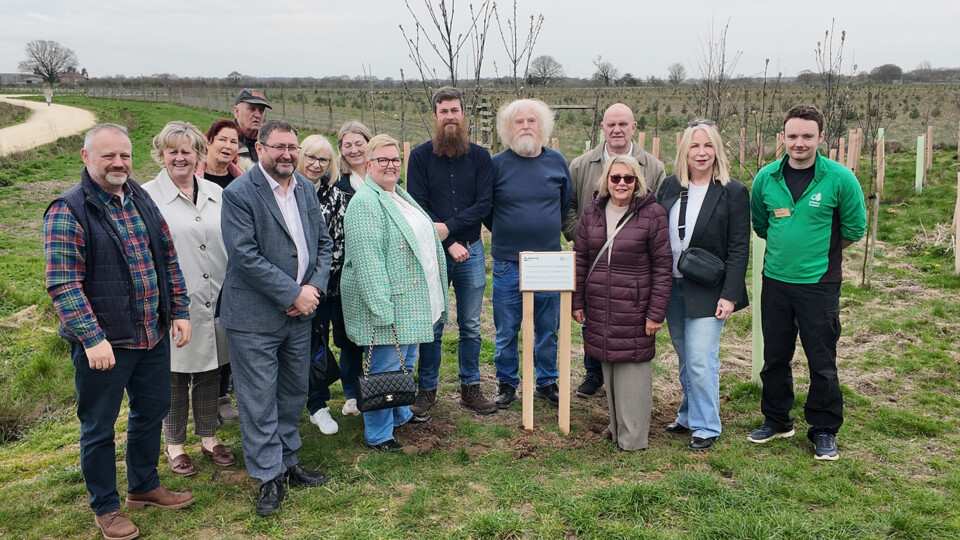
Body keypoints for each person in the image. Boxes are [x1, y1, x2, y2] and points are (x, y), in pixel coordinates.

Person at [43, 123, 194, 540]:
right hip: (106, 344)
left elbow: (167, 258)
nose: (118, 163)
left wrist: (178, 310)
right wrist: (91, 337)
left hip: (151, 334)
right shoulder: (69, 209)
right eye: (108, 155)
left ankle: (144, 486)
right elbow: (62, 283)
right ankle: (106, 506)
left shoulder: (139, 198)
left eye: (124, 155)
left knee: (152, 411)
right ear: (86, 157)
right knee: (99, 426)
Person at [220, 119, 334, 516]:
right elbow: (244, 256)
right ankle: (268, 475)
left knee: (291, 392)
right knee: (258, 399)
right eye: (279, 147)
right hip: (254, 316)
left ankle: (288, 461)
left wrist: (312, 291)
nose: (288, 154)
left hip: (300, 313)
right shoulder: (239, 194)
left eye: (293, 147)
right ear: (260, 149)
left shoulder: (303, 188)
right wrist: (292, 292)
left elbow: (322, 242)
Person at [749, 104, 866, 461]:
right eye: (793, 136)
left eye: (807, 136)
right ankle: (777, 419)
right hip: (776, 281)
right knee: (775, 357)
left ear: (821, 138)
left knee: (822, 360)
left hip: (820, 284)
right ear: (782, 137)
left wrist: (821, 253)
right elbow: (761, 224)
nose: (799, 143)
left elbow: (854, 229)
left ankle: (824, 428)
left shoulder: (839, 179)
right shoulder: (765, 179)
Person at [340, 134, 449, 451]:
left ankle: (400, 413)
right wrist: (381, 311)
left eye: (395, 160)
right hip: (389, 307)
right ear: (369, 163)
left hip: (412, 302)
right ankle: (378, 434)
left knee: (405, 362)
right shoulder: (365, 204)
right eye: (383, 160)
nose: (390, 165)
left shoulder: (397, 194)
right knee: (384, 369)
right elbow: (367, 262)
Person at [142, 121, 235, 476]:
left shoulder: (217, 192)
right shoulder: (148, 196)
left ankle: (209, 438)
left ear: (199, 154)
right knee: (176, 374)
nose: (180, 157)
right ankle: (175, 444)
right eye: (173, 151)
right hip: (175, 302)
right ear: (162, 155)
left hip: (218, 297)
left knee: (212, 369)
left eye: (187, 150)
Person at [657, 120, 750, 452]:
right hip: (673, 286)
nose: (701, 152)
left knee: (700, 359)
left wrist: (731, 294)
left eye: (708, 145)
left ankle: (707, 426)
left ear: (717, 150)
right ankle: (687, 414)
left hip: (711, 289)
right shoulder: (669, 187)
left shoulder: (733, 192)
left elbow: (740, 248)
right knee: (686, 358)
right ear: (684, 150)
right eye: (695, 145)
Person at [563, 103, 666, 399]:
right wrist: (584, 236)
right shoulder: (581, 165)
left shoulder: (654, 168)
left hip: (634, 261)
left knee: (626, 320)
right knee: (593, 315)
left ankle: (626, 382)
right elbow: (568, 208)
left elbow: (659, 214)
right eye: (611, 124)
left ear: (634, 128)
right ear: (603, 128)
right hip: (593, 257)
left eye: (623, 124)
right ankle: (594, 372)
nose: (617, 129)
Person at [571, 155, 671, 451]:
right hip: (601, 303)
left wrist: (656, 312)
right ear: (606, 181)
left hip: (635, 305)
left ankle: (633, 438)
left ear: (638, 181)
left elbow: (663, 267)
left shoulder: (653, 214)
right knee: (610, 366)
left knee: (633, 371)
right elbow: (581, 259)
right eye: (615, 178)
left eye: (629, 178)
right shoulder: (592, 212)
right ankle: (616, 426)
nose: (622, 184)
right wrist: (578, 300)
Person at [406, 86, 496, 416]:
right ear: (435, 116)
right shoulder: (418, 157)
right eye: (443, 111)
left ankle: (470, 388)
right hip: (433, 255)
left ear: (463, 114)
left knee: (471, 325)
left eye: (454, 110)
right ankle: (426, 390)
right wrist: (446, 241)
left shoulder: (481, 157)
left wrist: (452, 230)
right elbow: (417, 206)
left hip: (471, 253)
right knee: (432, 325)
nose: (449, 117)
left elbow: (484, 204)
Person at [485, 99, 572, 409]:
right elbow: (487, 211)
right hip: (508, 263)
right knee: (507, 329)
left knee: (548, 328)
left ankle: (546, 381)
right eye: (518, 122)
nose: (525, 126)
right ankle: (507, 382)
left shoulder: (557, 162)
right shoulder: (496, 164)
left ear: (542, 126)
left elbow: (564, 204)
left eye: (531, 121)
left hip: (548, 262)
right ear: (508, 130)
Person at [295, 134, 345, 435]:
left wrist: (316, 285)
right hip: (283, 286)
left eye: (323, 160)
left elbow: (337, 244)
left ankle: (318, 405)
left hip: (320, 289)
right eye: (311, 157)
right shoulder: (285, 190)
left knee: (317, 344)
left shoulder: (335, 196)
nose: (316, 164)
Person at [195, 119, 243, 425]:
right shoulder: (193, 178)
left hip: (234, 266)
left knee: (226, 329)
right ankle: (202, 397)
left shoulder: (241, 179)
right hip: (203, 264)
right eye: (222, 140)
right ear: (209, 142)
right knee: (204, 331)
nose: (228, 146)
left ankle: (222, 395)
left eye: (234, 142)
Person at [331, 120, 373, 417]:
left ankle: (381, 385)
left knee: (377, 333)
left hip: (377, 266)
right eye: (348, 144)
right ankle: (352, 392)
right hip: (345, 269)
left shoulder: (384, 178)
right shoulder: (338, 184)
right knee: (349, 337)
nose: (354, 149)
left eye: (359, 143)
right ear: (341, 150)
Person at [233, 88, 271, 167]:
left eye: (261, 110)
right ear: (237, 112)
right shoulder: (226, 142)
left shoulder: (268, 143)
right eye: (251, 109)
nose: (257, 115)